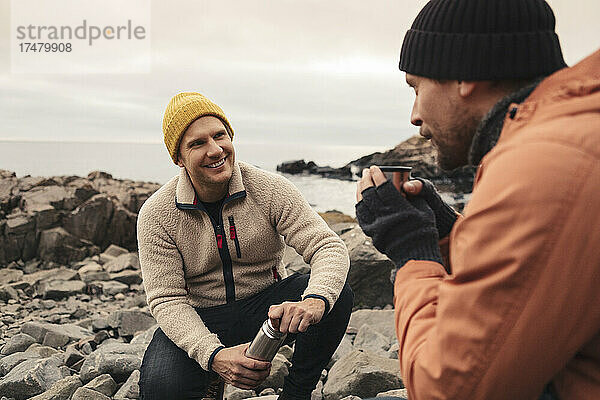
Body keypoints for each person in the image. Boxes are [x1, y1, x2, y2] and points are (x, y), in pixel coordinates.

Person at [355, 0, 600, 399]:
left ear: (463, 75)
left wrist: (411, 251)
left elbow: (449, 388)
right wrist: (450, 234)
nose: (415, 116)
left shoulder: (547, 163)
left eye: (416, 87)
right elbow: (542, 272)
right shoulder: (573, 135)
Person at [136, 92, 353, 400]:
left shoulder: (269, 188)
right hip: (203, 315)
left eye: (219, 135)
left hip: (268, 309)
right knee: (161, 387)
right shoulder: (157, 214)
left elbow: (327, 246)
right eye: (197, 143)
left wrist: (314, 301)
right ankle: (211, 379)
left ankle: (296, 393)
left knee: (337, 293)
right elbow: (167, 300)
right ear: (179, 158)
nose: (214, 150)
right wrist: (213, 355)